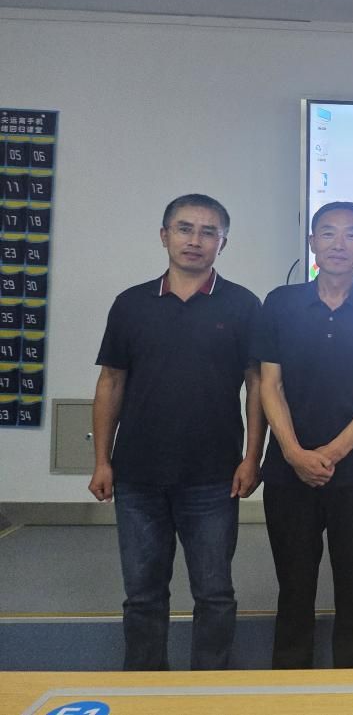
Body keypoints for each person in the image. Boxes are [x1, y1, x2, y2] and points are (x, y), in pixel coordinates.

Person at [88, 193, 263, 671]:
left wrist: (252, 458)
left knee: (215, 593)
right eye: (184, 229)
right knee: (143, 594)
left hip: (214, 476)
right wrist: (102, 461)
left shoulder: (243, 305)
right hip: (137, 476)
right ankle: (146, 690)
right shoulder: (131, 304)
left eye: (209, 232)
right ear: (164, 235)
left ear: (223, 243)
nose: (195, 240)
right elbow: (111, 382)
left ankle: (210, 690)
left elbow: (257, 386)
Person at [253, 201, 353, 669]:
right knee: (293, 581)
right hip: (287, 470)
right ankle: (290, 679)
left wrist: (332, 453)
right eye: (329, 233)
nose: (339, 243)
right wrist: (295, 453)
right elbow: (269, 385)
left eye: (352, 234)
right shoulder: (281, 302)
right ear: (313, 242)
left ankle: (352, 679)